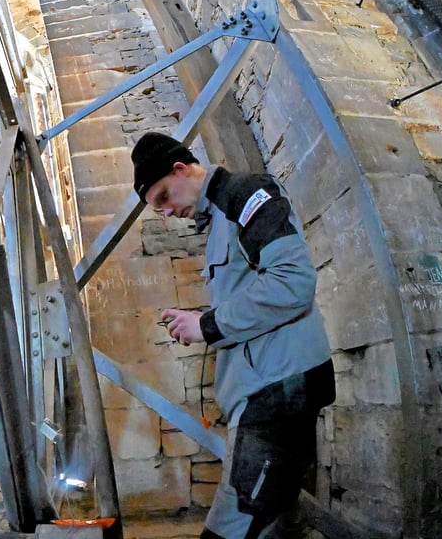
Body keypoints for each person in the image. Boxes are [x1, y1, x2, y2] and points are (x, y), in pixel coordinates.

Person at [130, 132, 335, 538]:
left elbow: (292, 282)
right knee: (269, 524)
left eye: (163, 197)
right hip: (267, 391)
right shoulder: (222, 219)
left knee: (233, 523)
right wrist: (201, 319)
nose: (166, 212)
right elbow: (255, 297)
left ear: (181, 169)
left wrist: (206, 326)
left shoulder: (245, 193)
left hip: (276, 392)